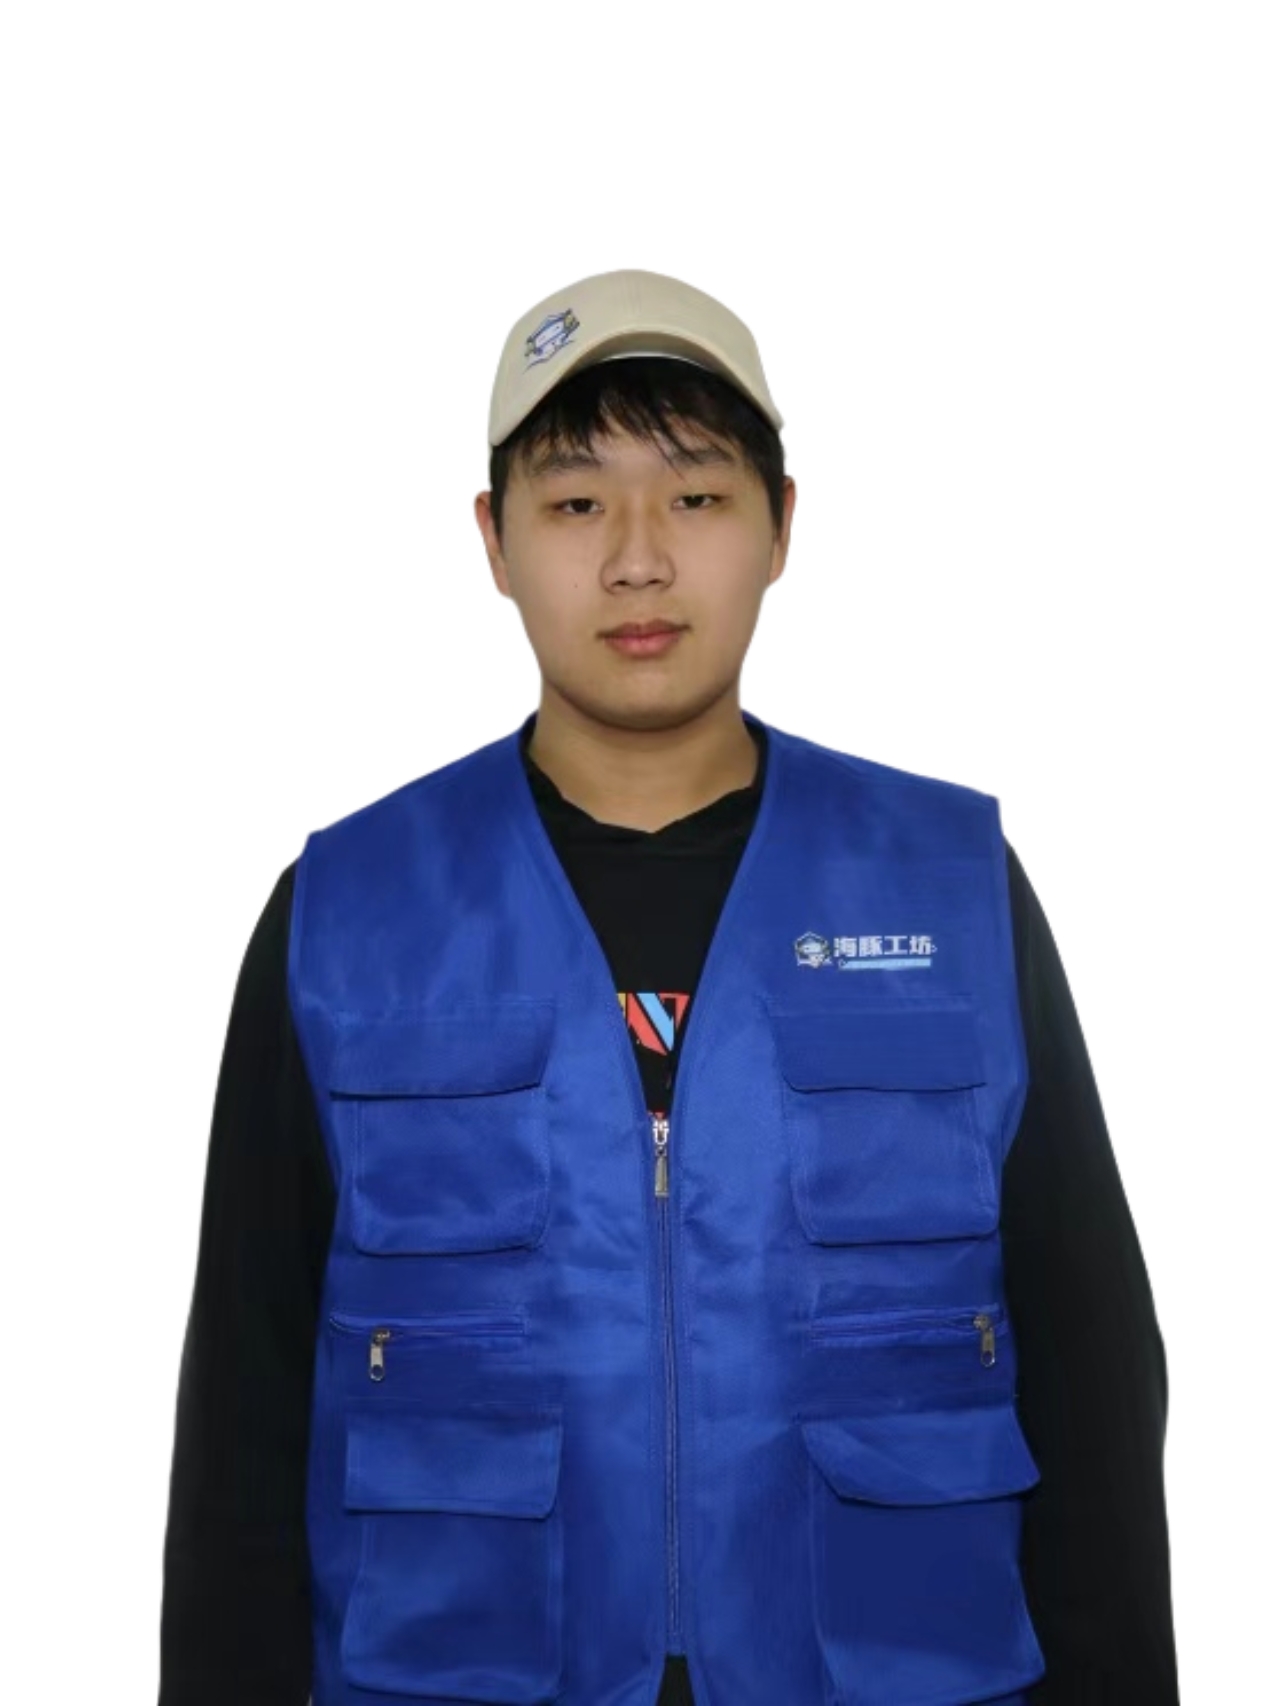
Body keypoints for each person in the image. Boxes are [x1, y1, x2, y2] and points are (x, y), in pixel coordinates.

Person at [157, 268, 1179, 1705]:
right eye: (577, 502)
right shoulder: (348, 913)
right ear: (493, 540)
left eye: (696, 496)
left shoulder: (949, 891)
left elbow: (1090, 1366)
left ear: (781, 526)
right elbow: (244, 1410)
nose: (638, 560)